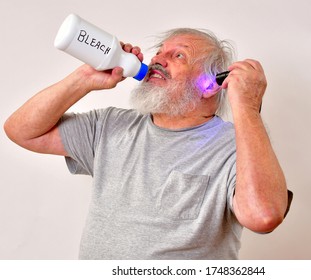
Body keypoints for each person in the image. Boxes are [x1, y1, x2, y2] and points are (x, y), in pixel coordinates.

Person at [4, 28, 290, 259]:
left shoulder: (236, 146)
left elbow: (263, 215)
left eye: (178, 55)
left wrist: (247, 107)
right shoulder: (109, 126)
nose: (157, 60)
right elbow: (22, 130)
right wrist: (84, 79)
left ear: (211, 84)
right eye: (159, 52)